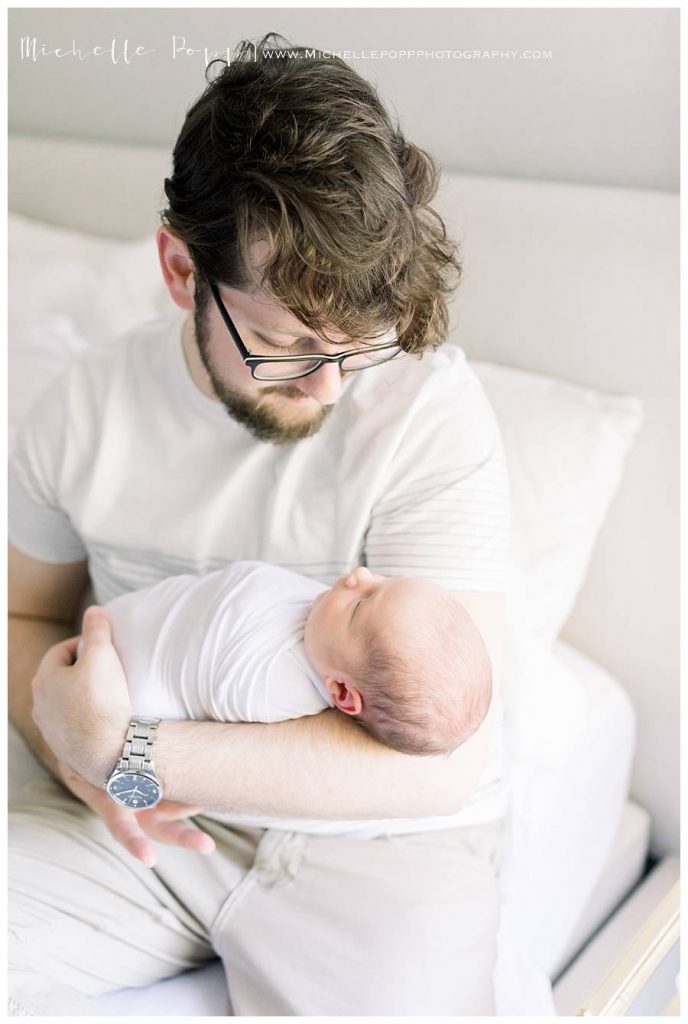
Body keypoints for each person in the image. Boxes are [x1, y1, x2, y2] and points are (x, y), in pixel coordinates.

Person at [8, 32, 511, 1016]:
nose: (326, 388)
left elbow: (444, 758)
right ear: (180, 270)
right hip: (129, 832)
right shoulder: (83, 409)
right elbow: (21, 615)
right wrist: (65, 742)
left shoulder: (425, 416)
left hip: (373, 846)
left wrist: (134, 755)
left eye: (353, 349)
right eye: (284, 345)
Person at [97, 560, 493, 765]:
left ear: (340, 692)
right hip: (133, 620)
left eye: (358, 604)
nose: (360, 574)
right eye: (383, 580)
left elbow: (207, 711)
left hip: (125, 679)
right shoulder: (323, 626)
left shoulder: (274, 686)